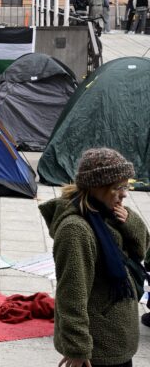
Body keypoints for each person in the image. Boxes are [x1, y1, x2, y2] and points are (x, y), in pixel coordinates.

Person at [39, 148, 149, 367]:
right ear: (97, 187)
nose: (125, 193)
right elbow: (72, 294)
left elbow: (143, 248)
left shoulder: (109, 212)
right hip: (98, 347)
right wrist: (78, 348)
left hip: (117, 338)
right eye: (118, 187)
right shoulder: (76, 231)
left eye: (126, 185)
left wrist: (129, 221)